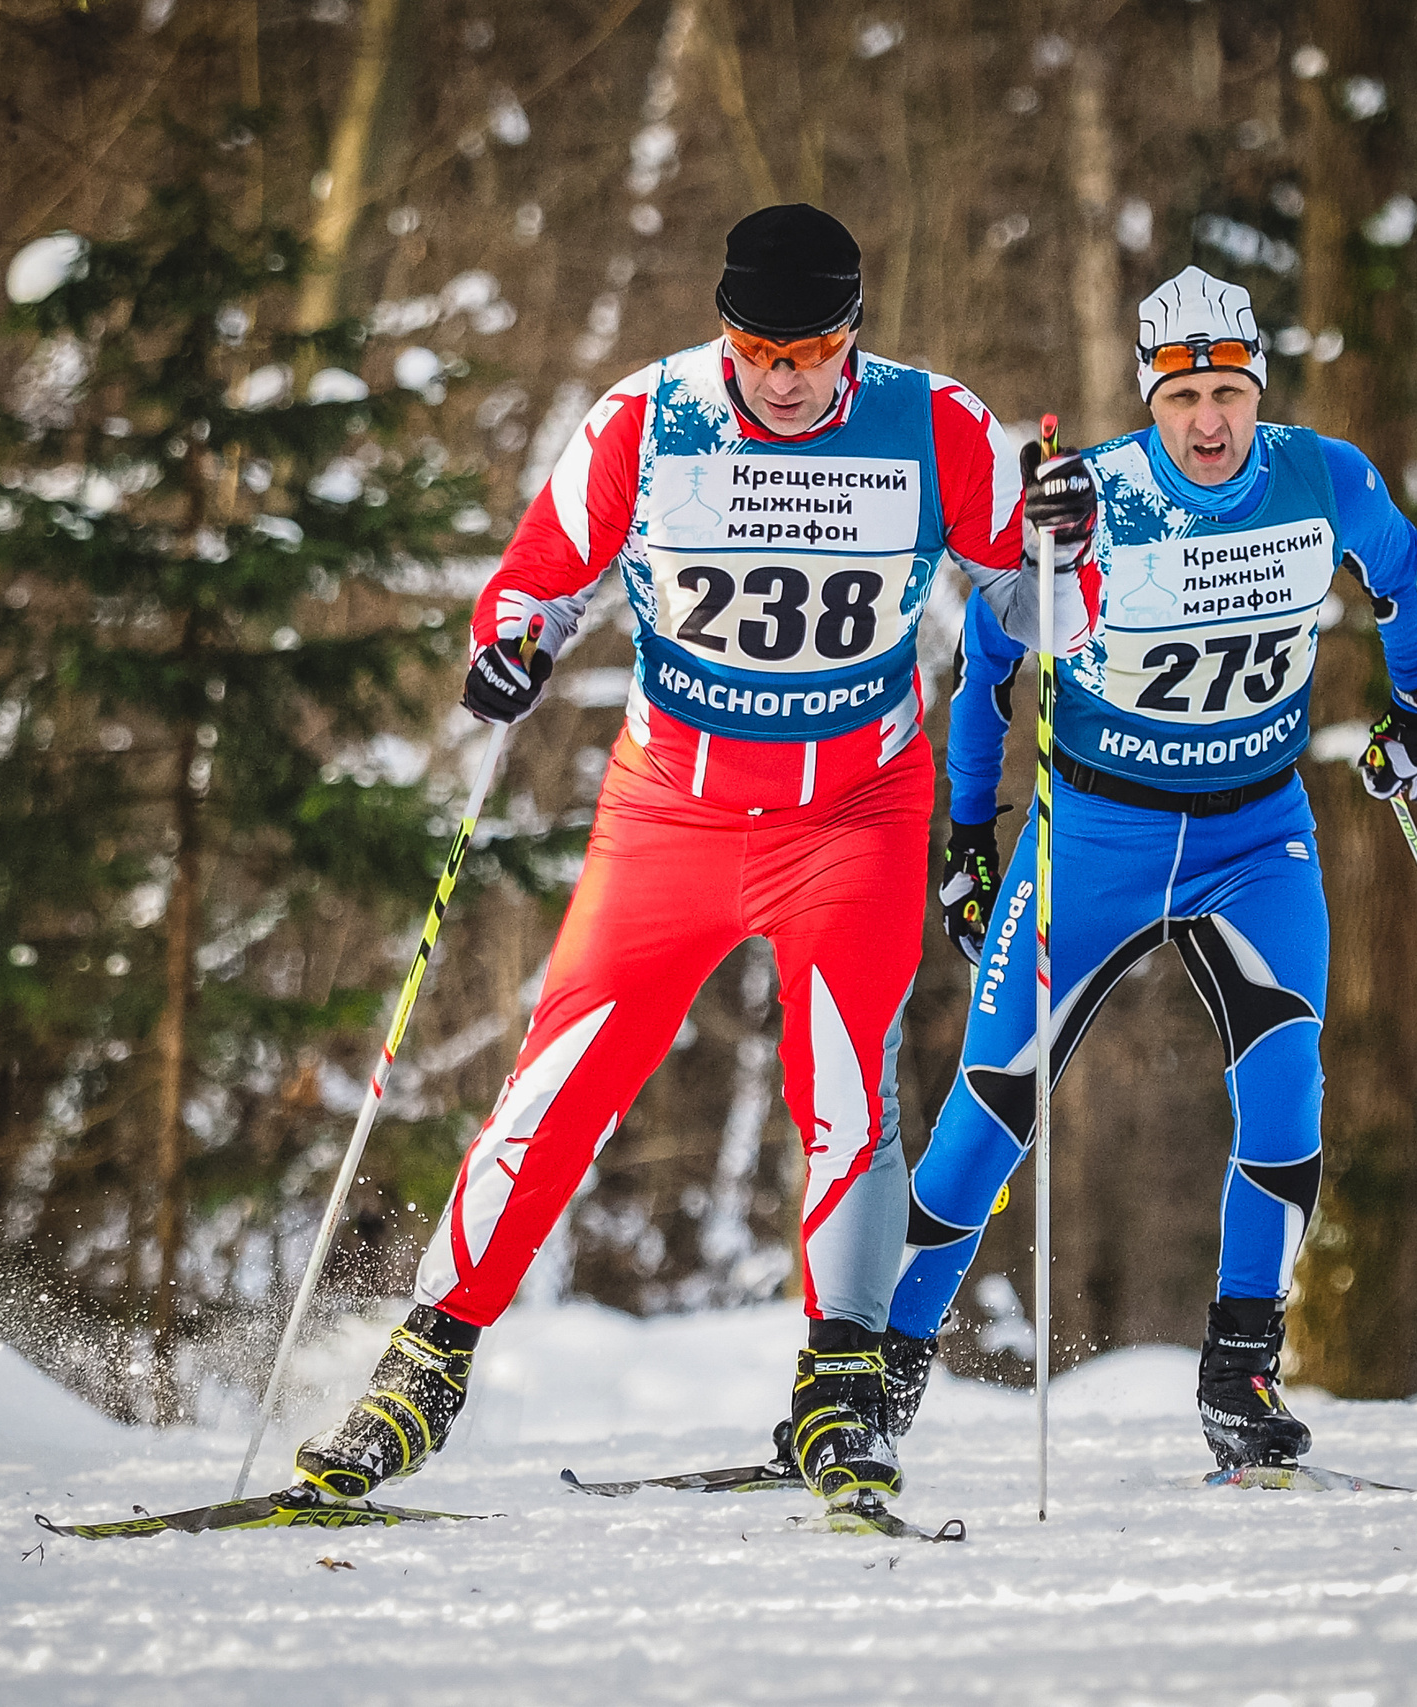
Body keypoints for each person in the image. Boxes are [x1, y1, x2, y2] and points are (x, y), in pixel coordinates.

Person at [291, 205, 1033, 1509]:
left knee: (849, 1095)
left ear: (852, 334)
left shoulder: (935, 423)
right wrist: (511, 644)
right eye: (756, 345)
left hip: (853, 812)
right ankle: (421, 1364)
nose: (782, 376)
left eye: (810, 348)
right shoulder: (650, 417)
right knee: (560, 1080)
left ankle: (841, 1386)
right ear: (722, 329)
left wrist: (1063, 546)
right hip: (672, 813)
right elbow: (540, 577)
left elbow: (1030, 589)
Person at [880, 265, 1417, 1470]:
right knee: (989, 1109)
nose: (1208, 420)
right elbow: (988, 668)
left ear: (1259, 390)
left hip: (1257, 836)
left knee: (1289, 1096)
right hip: (1097, 835)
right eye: (1183, 395)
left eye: (1230, 392)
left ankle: (1240, 1376)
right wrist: (968, 839)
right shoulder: (1092, 500)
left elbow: (1403, 581)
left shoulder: (1326, 479)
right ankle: (873, 1376)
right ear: (1151, 398)